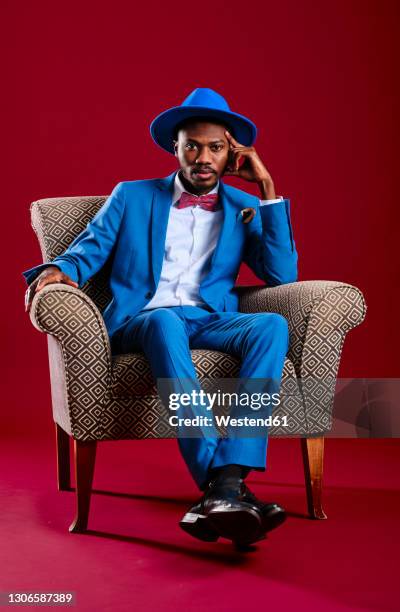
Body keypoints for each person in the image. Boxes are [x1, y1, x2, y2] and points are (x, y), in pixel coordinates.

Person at [23, 88, 298, 547]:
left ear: (233, 153)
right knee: (166, 321)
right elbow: (88, 251)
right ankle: (223, 485)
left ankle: (226, 481)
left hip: (207, 318)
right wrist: (56, 269)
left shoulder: (241, 208)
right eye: (192, 145)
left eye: (215, 147)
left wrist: (267, 191)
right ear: (176, 147)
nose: (202, 157)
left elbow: (281, 274)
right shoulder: (131, 196)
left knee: (272, 325)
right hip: (144, 319)